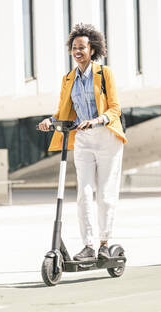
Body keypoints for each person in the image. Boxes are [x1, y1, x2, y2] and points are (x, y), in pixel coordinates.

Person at [38, 23, 127, 261]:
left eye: (82, 47)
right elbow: (64, 112)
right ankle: (88, 245)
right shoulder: (68, 78)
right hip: (83, 139)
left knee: (106, 194)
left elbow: (115, 109)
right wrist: (50, 120)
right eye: (74, 47)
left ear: (92, 49)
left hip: (107, 135)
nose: (78, 51)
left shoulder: (104, 73)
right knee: (84, 194)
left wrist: (97, 120)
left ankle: (105, 243)